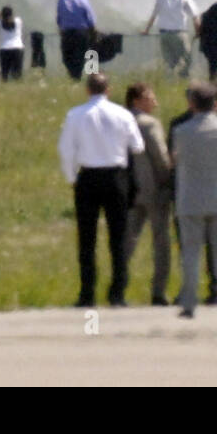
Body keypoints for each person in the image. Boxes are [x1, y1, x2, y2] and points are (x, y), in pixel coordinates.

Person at [58, 72, 144, 307]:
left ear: (88, 90)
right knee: (118, 237)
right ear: (109, 90)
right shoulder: (123, 114)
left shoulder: (75, 115)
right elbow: (138, 146)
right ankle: (118, 293)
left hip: (88, 176)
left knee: (87, 239)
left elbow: (66, 149)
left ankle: (87, 294)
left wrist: (72, 177)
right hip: (116, 177)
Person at [172, 82, 217, 320]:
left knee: (190, 253)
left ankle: (189, 302)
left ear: (192, 103)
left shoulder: (181, 131)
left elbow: (177, 159)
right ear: (216, 103)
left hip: (190, 197)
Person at [124, 83, 173, 305]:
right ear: (137, 100)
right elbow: (161, 158)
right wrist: (169, 182)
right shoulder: (149, 124)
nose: (155, 100)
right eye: (150, 96)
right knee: (161, 241)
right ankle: (158, 291)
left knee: (128, 239)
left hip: (129, 189)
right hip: (154, 189)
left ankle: (118, 285)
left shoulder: (121, 120)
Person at [143, 0, 199, 79]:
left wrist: (146, 30)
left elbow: (153, 16)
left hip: (164, 34)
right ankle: (183, 80)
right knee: (185, 59)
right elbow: (194, 16)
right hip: (179, 33)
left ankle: (169, 81)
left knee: (168, 61)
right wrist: (198, 32)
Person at [56, 0, 97, 81]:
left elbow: (59, 18)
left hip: (67, 33)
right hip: (81, 33)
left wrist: (61, 28)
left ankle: (74, 76)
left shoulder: (62, 1)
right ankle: (76, 76)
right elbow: (90, 19)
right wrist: (93, 33)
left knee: (67, 57)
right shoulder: (84, 1)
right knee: (79, 56)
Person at [0, 5, 25, 81]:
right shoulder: (18, 21)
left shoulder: (0, 23)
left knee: (5, 73)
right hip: (17, 48)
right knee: (17, 73)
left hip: (4, 48)